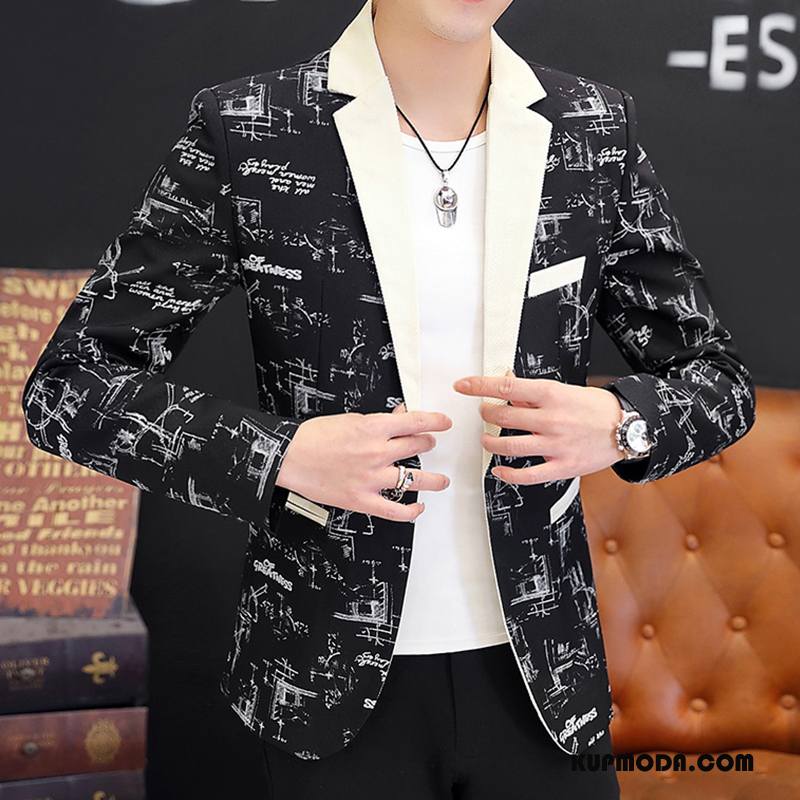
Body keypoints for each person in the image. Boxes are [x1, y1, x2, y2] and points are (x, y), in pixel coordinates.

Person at [21, 0, 756, 797]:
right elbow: (70, 388)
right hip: (321, 672)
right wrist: (280, 455)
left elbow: (717, 380)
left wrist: (620, 423)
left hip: (546, 676)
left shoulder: (593, 129)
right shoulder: (250, 126)